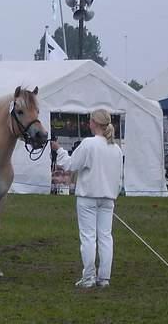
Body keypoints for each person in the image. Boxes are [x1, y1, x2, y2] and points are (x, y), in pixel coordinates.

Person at [50, 109, 123, 288]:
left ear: (94, 123)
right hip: (108, 198)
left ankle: (89, 277)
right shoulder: (116, 149)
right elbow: (119, 178)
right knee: (106, 237)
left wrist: (59, 150)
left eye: (90, 121)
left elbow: (70, 165)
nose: (88, 124)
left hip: (88, 197)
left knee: (88, 237)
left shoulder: (89, 144)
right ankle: (104, 278)